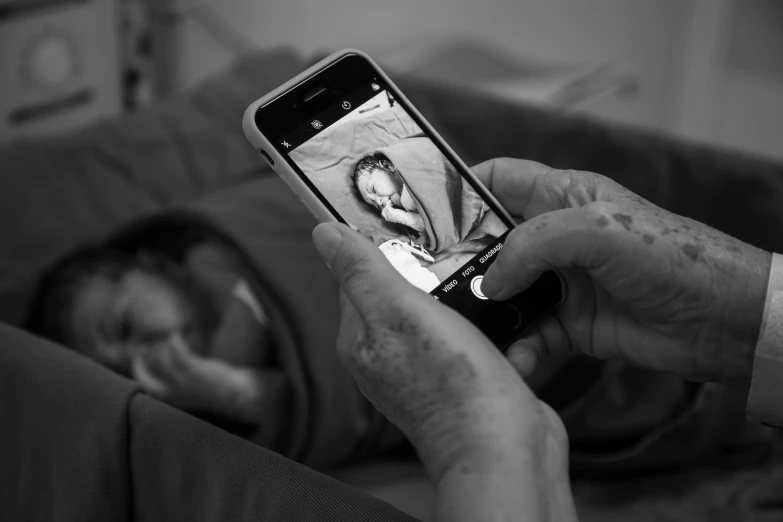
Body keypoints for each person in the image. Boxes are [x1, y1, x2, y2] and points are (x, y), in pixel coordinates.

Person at [309, 157, 780, 521]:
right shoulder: (393, 235)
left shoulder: (430, 199)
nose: (381, 204)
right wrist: (745, 314)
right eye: (371, 202)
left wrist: (478, 437)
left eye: (382, 190)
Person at [25, 244, 290, 446]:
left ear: (159, 267)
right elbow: (301, 410)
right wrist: (226, 390)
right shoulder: (196, 411)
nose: (141, 362)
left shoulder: (215, 257)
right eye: (121, 374)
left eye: (124, 326)